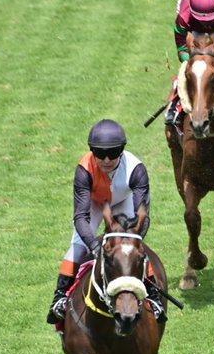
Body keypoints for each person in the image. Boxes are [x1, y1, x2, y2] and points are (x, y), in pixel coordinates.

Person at [47, 119, 164, 325]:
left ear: (122, 150)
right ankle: (60, 297)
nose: (107, 159)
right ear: (92, 151)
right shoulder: (84, 170)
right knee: (77, 247)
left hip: (124, 202)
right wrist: (94, 245)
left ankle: (154, 296)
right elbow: (81, 217)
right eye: (100, 154)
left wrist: (131, 239)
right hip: (94, 203)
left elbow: (142, 216)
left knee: (133, 248)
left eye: (114, 152)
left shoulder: (136, 170)